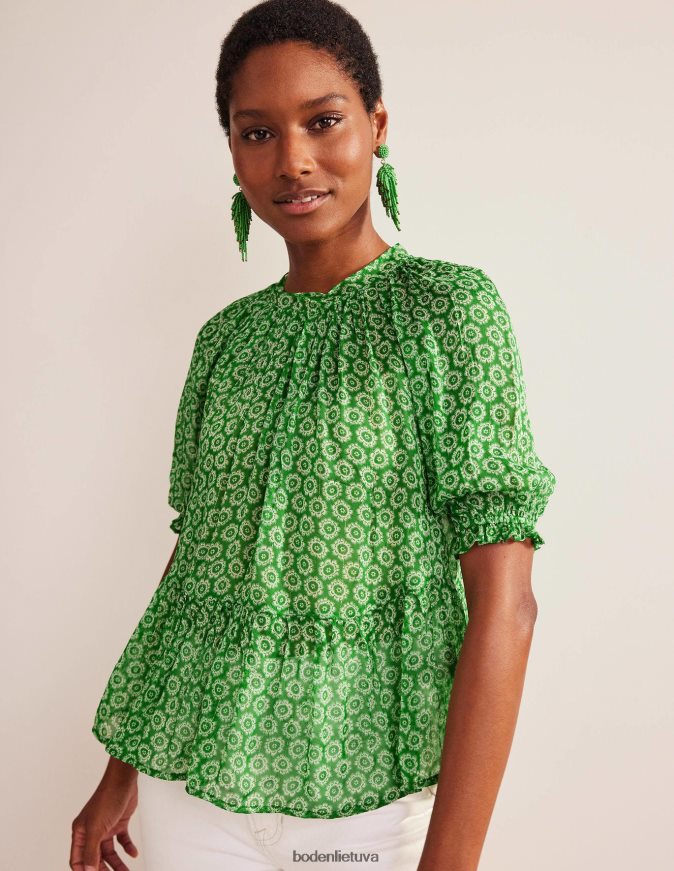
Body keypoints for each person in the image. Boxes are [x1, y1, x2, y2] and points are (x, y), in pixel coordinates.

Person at [70, 1, 556, 869]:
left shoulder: (449, 312)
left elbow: (507, 606)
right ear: (232, 152)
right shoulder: (226, 341)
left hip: (369, 806)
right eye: (257, 133)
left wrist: (450, 861)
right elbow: (200, 561)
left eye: (323, 121)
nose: (292, 160)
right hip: (192, 797)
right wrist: (124, 767)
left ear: (377, 124)